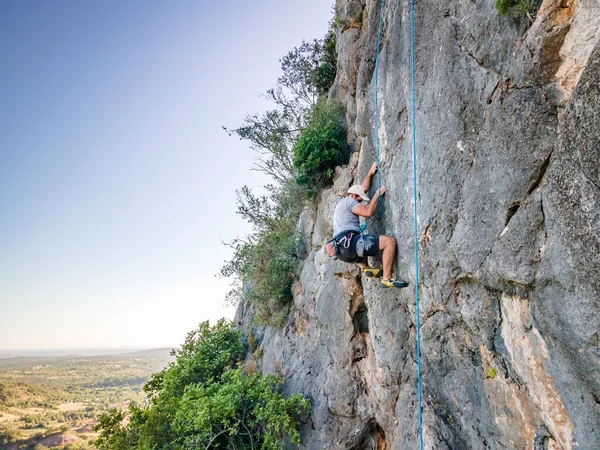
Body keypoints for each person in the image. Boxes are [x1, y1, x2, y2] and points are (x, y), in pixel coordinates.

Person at [332, 162, 408, 288]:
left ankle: (366, 267)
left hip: (341, 251)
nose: (360, 203)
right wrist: (377, 195)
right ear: (352, 196)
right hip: (351, 243)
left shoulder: (342, 204)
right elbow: (367, 212)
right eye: (359, 200)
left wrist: (370, 173)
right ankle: (387, 278)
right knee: (390, 242)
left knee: (360, 246)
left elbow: (362, 189)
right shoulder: (349, 201)